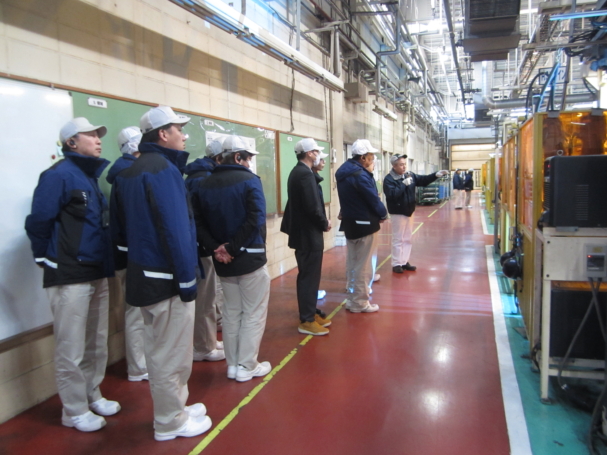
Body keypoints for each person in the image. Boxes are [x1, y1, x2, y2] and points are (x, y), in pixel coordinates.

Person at [110, 106, 211, 441]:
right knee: (172, 353)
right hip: (167, 279)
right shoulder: (164, 171)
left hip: (143, 275)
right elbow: (176, 230)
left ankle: (175, 405)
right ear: (163, 134)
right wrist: (187, 281)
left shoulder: (129, 171)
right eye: (178, 129)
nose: (184, 135)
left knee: (159, 349)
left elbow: (120, 232)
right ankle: (170, 421)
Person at [25, 117, 120, 432]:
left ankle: (92, 394)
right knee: (71, 346)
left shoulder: (88, 176)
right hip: (69, 274)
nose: (98, 139)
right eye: (90, 134)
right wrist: (45, 257)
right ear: (71, 142)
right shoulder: (58, 175)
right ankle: (74, 409)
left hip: (96, 270)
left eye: (98, 134)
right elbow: (39, 221)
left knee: (96, 341)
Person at [191, 135, 272, 382]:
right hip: (250, 258)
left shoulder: (205, 184)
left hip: (222, 261)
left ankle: (233, 365)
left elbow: (198, 223)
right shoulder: (250, 181)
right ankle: (247, 366)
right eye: (247, 158)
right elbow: (256, 218)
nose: (249, 163)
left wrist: (218, 248)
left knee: (231, 312)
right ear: (237, 157)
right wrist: (233, 248)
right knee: (253, 313)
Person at [105, 126, 148, 383]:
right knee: (136, 311)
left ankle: (141, 363)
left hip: (129, 253)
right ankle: (138, 366)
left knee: (137, 310)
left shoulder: (124, 172)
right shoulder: (129, 174)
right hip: (132, 255)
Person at [281, 138, 332, 336]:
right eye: (317, 151)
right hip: (307, 235)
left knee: (310, 276)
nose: (319, 155)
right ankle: (307, 320)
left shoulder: (302, 172)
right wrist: (324, 222)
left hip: (306, 234)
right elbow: (312, 206)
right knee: (309, 277)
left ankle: (310, 312)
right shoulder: (304, 174)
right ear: (310, 153)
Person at [184, 140, 226, 362]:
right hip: (202, 247)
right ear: (218, 159)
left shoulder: (197, 176)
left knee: (209, 296)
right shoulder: (203, 179)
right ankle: (203, 346)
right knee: (206, 298)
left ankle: (208, 339)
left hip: (201, 245)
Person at [336, 139, 387, 313]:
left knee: (353, 263)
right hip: (365, 225)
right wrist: (383, 214)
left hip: (350, 224)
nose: (372, 159)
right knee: (364, 266)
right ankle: (359, 302)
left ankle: (352, 298)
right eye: (371, 156)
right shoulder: (360, 175)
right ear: (363, 157)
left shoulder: (343, 172)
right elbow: (373, 199)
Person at [383, 155, 449, 274]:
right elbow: (392, 195)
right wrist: (403, 184)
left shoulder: (410, 175)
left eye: (405, 164)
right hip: (398, 212)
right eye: (401, 165)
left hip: (409, 211)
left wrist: (436, 175)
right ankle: (396, 263)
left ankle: (404, 261)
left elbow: (423, 180)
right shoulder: (389, 179)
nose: (404, 167)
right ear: (394, 166)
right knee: (398, 238)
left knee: (407, 238)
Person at [311, 148, 330, 302]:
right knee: (310, 270)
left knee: (314, 269)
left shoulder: (314, 179)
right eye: (321, 159)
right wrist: (324, 222)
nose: (323, 162)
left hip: (315, 229)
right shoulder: (307, 178)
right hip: (310, 233)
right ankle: (309, 306)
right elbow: (313, 207)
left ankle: (312, 296)